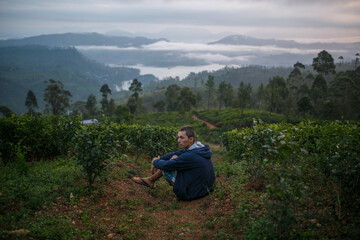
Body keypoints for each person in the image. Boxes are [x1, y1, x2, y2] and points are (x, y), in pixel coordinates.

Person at [132, 125, 215, 201]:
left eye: (182, 138)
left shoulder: (191, 156)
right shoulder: (198, 148)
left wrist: (155, 161)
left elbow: (166, 165)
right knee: (174, 157)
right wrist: (160, 158)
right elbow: (177, 153)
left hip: (193, 192)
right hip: (204, 188)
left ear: (191, 139)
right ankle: (150, 180)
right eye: (178, 137)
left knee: (167, 167)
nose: (178, 140)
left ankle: (151, 181)